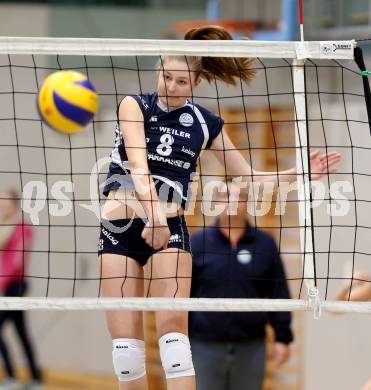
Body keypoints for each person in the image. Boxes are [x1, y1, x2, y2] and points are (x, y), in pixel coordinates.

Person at [97, 25, 341, 390]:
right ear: (158, 70)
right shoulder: (134, 105)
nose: (171, 87)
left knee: (175, 344)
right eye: (166, 77)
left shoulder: (204, 122)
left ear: (195, 83)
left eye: (181, 82)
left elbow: (250, 176)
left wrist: (302, 173)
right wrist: (152, 215)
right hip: (121, 228)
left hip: (171, 228)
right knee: (126, 354)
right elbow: (138, 165)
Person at [189, 181, 293, 390]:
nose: (233, 201)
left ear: (249, 203)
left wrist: (283, 338)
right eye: (226, 195)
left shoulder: (265, 243)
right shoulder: (197, 242)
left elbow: (278, 291)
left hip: (252, 345)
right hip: (203, 345)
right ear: (217, 202)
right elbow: (182, 294)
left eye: (240, 197)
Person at [0, 190, 43, 390]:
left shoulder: (23, 227)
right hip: (6, 287)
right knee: (21, 332)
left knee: (17, 332)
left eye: (5, 202)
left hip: (15, 286)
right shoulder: (3, 229)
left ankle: (11, 377)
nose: (2, 206)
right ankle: (35, 378)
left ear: (14, 205)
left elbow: (18, 261)